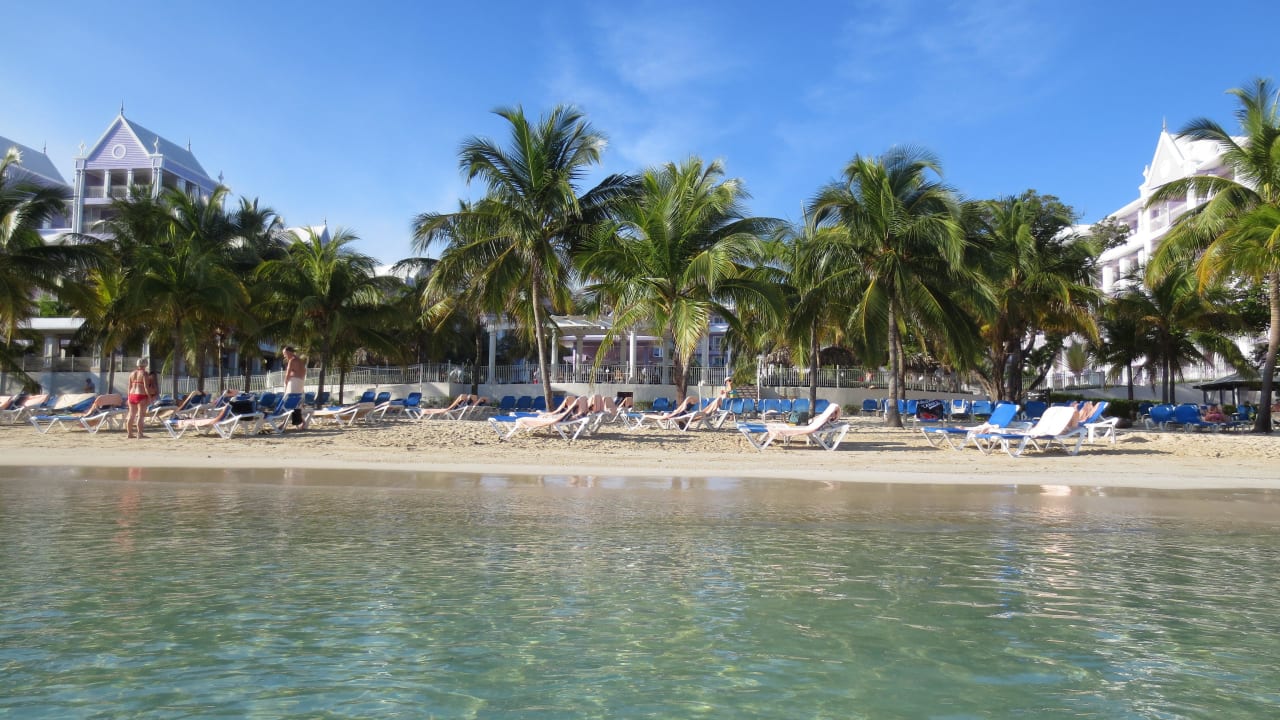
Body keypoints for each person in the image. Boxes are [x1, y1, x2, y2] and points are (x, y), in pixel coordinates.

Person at [126, 358, 153, 439]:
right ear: (145, 365)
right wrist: (149, 397)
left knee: (131, 415)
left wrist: (128, 397)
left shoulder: (132, 373)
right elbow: (146, 387)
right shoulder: (144, 374)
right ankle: (140, 434)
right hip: (141, 395)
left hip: (131, 395)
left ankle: (129, 433)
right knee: (140, 416)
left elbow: (129, 386)